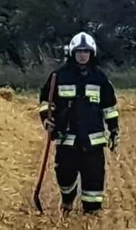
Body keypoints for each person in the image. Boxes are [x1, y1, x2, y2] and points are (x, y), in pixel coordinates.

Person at [37, 32, 119, 215]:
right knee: (64, 176)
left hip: (93, 141)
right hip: (67, 138)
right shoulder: (58, 76)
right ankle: (68, 196)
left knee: (94, 180)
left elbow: (109, 107)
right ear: (73, 53)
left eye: (86, 52)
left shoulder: (100, 79)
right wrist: (47, 120)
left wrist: (113, 129)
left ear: (92, 54)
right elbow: (45, 102)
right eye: (79, 52)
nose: (83, 55)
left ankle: (92, 211)